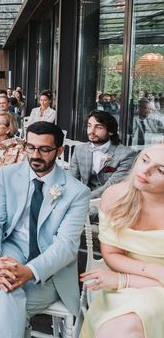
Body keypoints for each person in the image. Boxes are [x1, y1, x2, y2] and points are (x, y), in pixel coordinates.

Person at [0, 121, 90, 337]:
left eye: (44, 149)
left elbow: (66, 247)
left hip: (50, 270)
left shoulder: (77, 192)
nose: (35, 155)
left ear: (59, 151)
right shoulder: (8, 175)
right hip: (10, 251)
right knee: (7, 286)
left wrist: (30, 271)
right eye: (30, 147)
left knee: (6, 295)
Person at [80, 144, 164, 338]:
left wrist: (122, 280)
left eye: (160, 170)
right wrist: (156, 273)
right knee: (118, 328)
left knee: (127, 326)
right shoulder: (116, 196)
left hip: (128, 282)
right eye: (144, 160)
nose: (145, 171)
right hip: (127, 287)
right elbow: (111, 254)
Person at [69, 110, 136, 199]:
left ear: (111, 131)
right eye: (89, 126)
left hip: (112, 200)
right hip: (82, 200)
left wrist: (83, 199)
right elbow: (72, 180)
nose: (91, 131)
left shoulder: (127, 154)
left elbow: (112, 186)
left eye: (99, 127)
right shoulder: (79, 150)